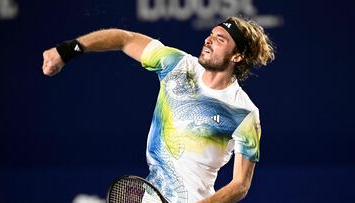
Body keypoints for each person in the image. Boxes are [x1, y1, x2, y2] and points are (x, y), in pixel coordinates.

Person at [42, 16, 274, 203]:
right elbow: (124, 39)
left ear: (237, 55)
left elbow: (240, 184)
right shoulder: (177, 65)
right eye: (211, 34)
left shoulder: (244, 113)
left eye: (220, 39)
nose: (209, 40)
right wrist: (66, 50)